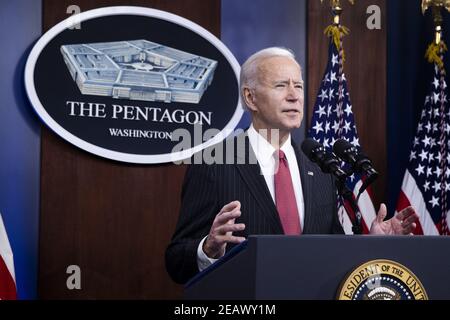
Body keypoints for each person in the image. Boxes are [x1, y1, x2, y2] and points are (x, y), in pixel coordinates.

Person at [165, 47, 418, 284]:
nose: (294, 95)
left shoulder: (321, 168)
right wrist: (208, 248)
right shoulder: (214, 163)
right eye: (281, 85)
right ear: (250, 97)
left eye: (298, 85)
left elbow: (332, 251)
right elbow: (176, 261)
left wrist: (370, 244)